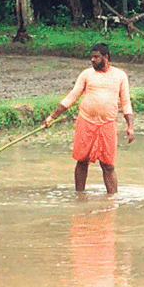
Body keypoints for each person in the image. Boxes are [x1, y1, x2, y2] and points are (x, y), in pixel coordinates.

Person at [43, 43, 135, 194]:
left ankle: (112, 199)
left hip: (107, 123)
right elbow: (72, 96)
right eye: (91, 57)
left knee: (108, 165)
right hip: (86, 121)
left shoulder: (120, 76)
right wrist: (52, 116)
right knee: (82, 160)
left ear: (106, 57)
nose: (93, 60)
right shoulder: (86, 74)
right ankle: (79, 195)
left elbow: (125, 103)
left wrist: (130, 126)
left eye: (96, 57)